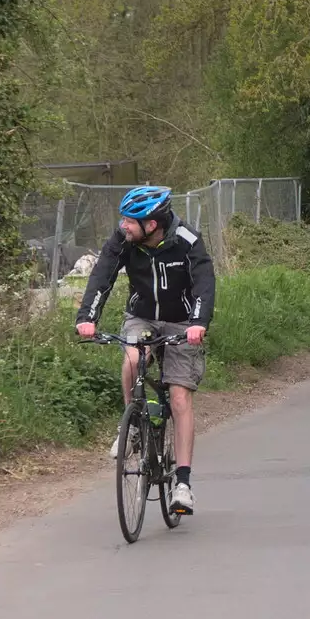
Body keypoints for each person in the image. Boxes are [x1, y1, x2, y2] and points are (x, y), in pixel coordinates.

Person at [75, 186, 215, 515]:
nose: (123, 225)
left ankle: (182, 484)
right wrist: (87, 317)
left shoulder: (186, 240)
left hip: (182, 324)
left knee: (179, 396)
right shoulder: (123, 240)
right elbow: (102, 276)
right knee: (133, 355)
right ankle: (133, 427)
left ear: (151, 224)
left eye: (130, 221)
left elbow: (204, 284)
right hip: (142, 316)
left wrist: (198, 323)